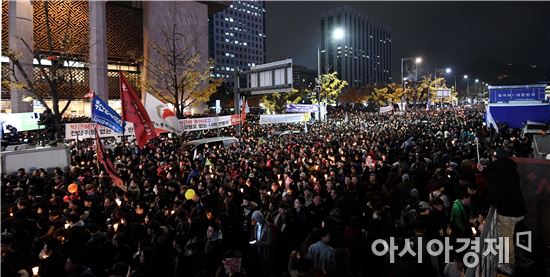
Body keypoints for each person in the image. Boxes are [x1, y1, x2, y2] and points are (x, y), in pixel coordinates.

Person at [483, 148, 526, 275]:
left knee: (506, 241)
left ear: (496, 159)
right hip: (519, 209)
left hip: (508, 213)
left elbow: (497, 195)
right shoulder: (510, 169)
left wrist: (488, 201)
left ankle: (509, 266)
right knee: (509, 238)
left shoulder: (498, 174)